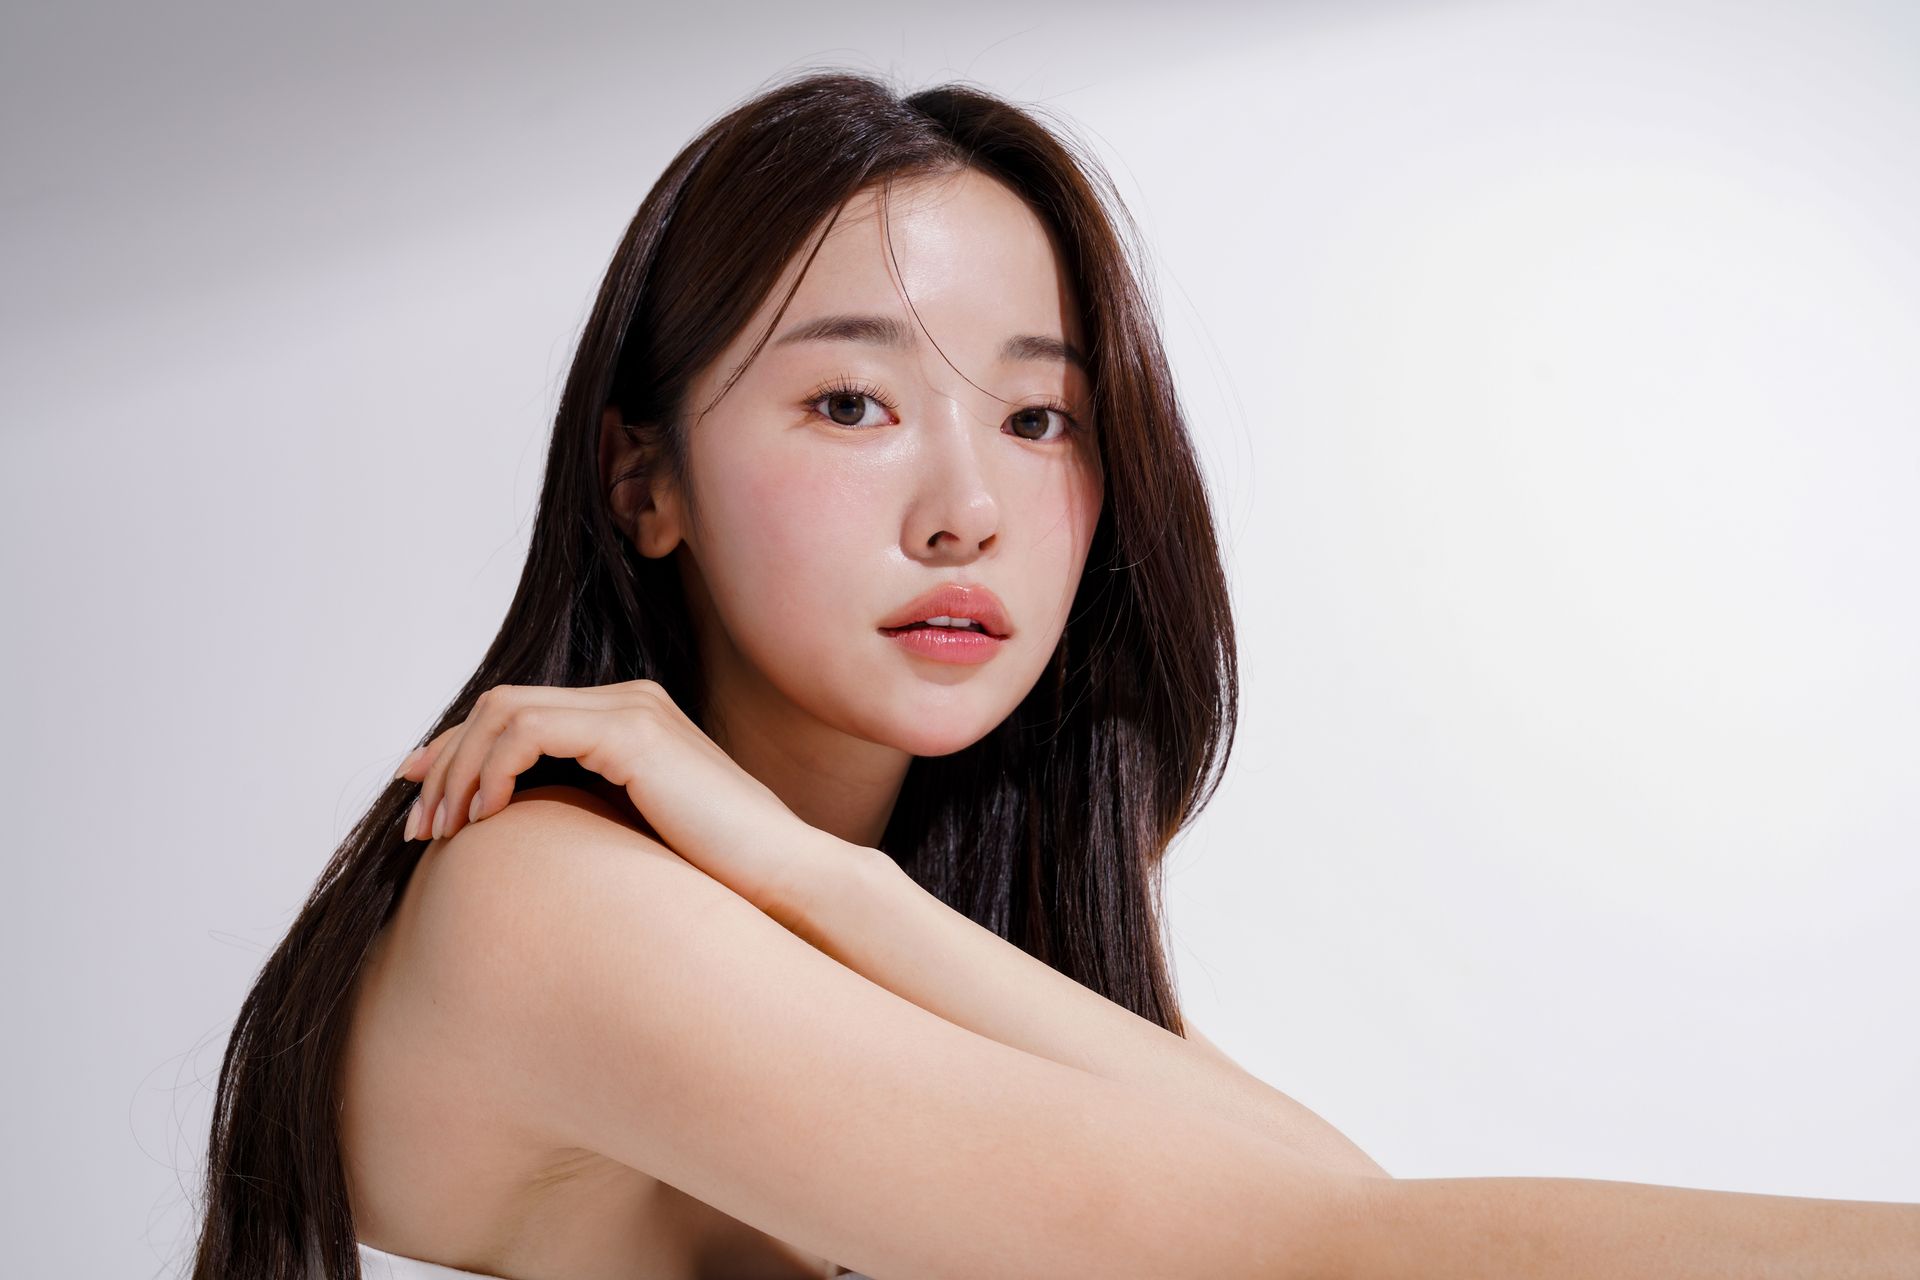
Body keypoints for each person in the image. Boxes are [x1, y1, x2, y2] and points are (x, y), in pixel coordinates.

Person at [190, 69, 1920, 1279]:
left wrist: (812, 874)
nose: (969, 511)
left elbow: (1335, 1213)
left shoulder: (855, 901)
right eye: (851, 403)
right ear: (645, 484)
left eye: (1040, 418)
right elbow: (1335, 1258)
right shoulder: (536, 898)